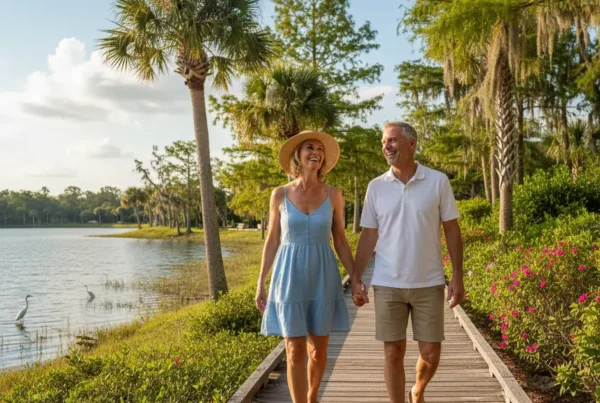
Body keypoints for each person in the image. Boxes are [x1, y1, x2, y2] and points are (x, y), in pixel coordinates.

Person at [351, 121, 464, 403]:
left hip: (429, 282)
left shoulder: (437, 181)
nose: (386, 146)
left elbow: (452, 228)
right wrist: (356, 277)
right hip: (388, 282)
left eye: (391, 140)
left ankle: (417, 390)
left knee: (431, 354)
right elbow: (368, 235)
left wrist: (458, 276)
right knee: (392, 351)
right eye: (383, 142)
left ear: (411, 143)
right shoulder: (376, 187)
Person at [255, 130, 353, 403]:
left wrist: (356, 277)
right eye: (310, 147)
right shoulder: (279, 194)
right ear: (297, 155)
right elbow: (273, 239)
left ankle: (312, 397)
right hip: (289, 275)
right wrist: (261, 281)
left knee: (318, 351)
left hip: (323, 275)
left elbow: (341, 240)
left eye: (320, 149)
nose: (316, 152)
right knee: (294, 350)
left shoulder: (334, 195)